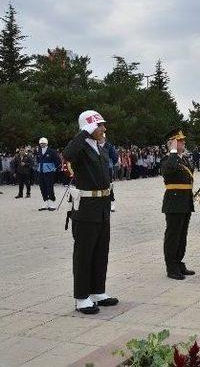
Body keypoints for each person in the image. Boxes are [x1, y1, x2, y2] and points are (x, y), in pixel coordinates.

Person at [63, 110, 118, 314]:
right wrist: (84, 133)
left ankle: (97, 291)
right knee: (84, 253)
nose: (104, 129)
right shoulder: (80, 149)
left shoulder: (99, 148)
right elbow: (67, 155)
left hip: (102, 206)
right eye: (100, 126)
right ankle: (81, 297)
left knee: (101, 250)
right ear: (90, 127)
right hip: (86, 208)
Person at [160, 128, 196, 280]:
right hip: (174, 200)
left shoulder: (183, 158)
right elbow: (169, 170)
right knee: (173, 235)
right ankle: (171, 267)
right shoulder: (168, 159)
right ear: (172, 143)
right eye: (180, 140)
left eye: (182, 140)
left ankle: (179, 262)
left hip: (185, 199)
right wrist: (173, 151)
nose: (183, 142)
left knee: (182, 235)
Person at [36, 137, 61, 211]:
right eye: (41, 143)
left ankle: (52, 203)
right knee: (42, 187)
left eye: (43, 143)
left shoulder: (52, 151)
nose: (42, 144)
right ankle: (45, 202)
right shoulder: (39, 151)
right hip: (40, 172)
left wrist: (55, 169)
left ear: (46, 143)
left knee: (49, 187)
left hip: (49, 172)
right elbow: (38, 161)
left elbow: (58, 161)